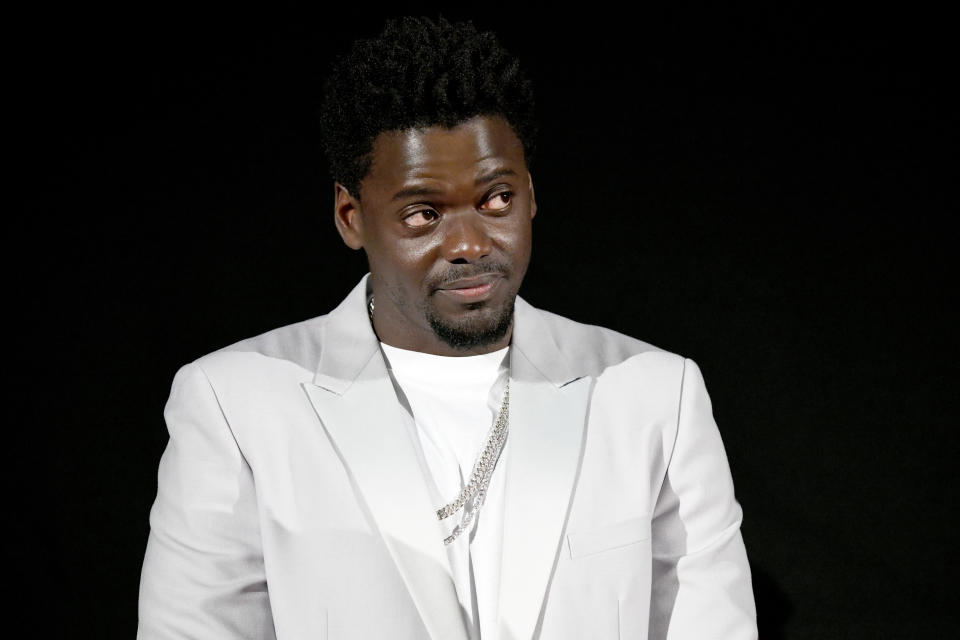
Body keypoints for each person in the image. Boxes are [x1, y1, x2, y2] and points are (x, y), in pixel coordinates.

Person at [137, 16, 757, 640]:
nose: (468, 243)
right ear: (350, 216)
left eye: (495, 200)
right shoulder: (236, 405)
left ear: (531, 195)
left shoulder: (654, 394)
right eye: (423, 213)